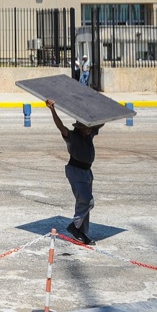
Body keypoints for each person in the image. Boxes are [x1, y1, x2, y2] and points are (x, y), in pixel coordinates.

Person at [46, 98, 104, 246]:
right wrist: (52, 110)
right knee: (87, 201)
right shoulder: (72, 136)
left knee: (83, 204)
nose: (90, 129)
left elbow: (102, 121)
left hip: (87, 172)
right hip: (76, 171)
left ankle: (82, 233)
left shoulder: (88, 134)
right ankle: (74, 226)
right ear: (79, 127)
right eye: (87, 127)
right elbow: (61, 127)